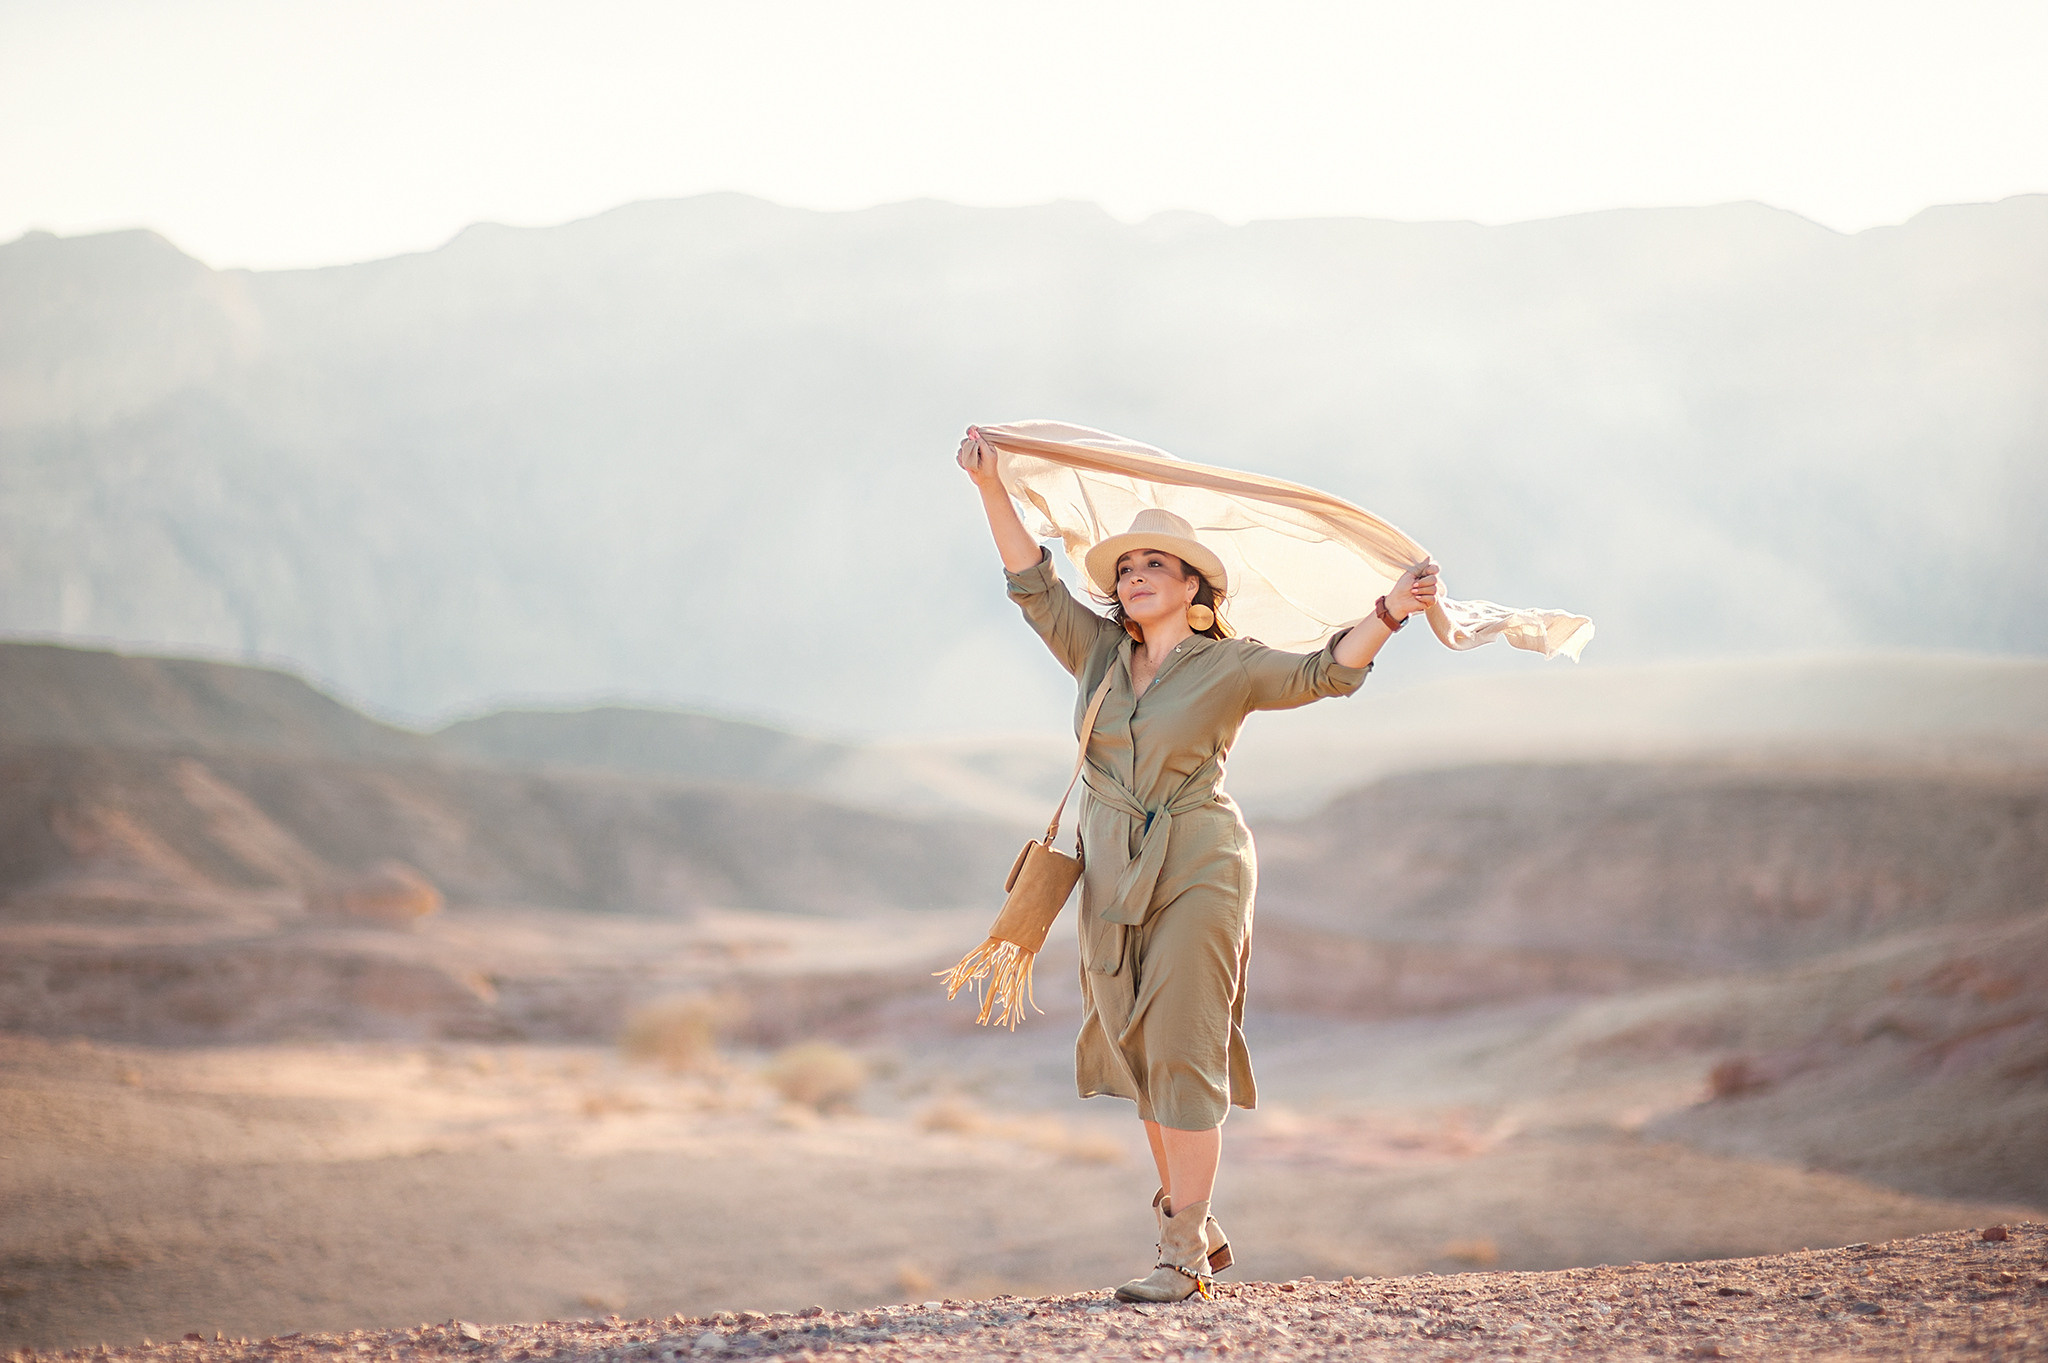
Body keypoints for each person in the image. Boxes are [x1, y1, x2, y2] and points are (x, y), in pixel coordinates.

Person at [956, 427, 1440, 1302]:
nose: (1133, 576)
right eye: (1127, 566)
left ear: (1196, 587)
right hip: (1108, 869)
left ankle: (1179, 1252)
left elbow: (1323, 672)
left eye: (1155, 565)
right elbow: (1032, 586)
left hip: (1201, 862)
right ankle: (1197, 1220)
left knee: (1183, 1042)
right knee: (1137, 1047)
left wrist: (1392, 610)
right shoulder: (1096, 652)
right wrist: (992, 486)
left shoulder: (1229, 664)